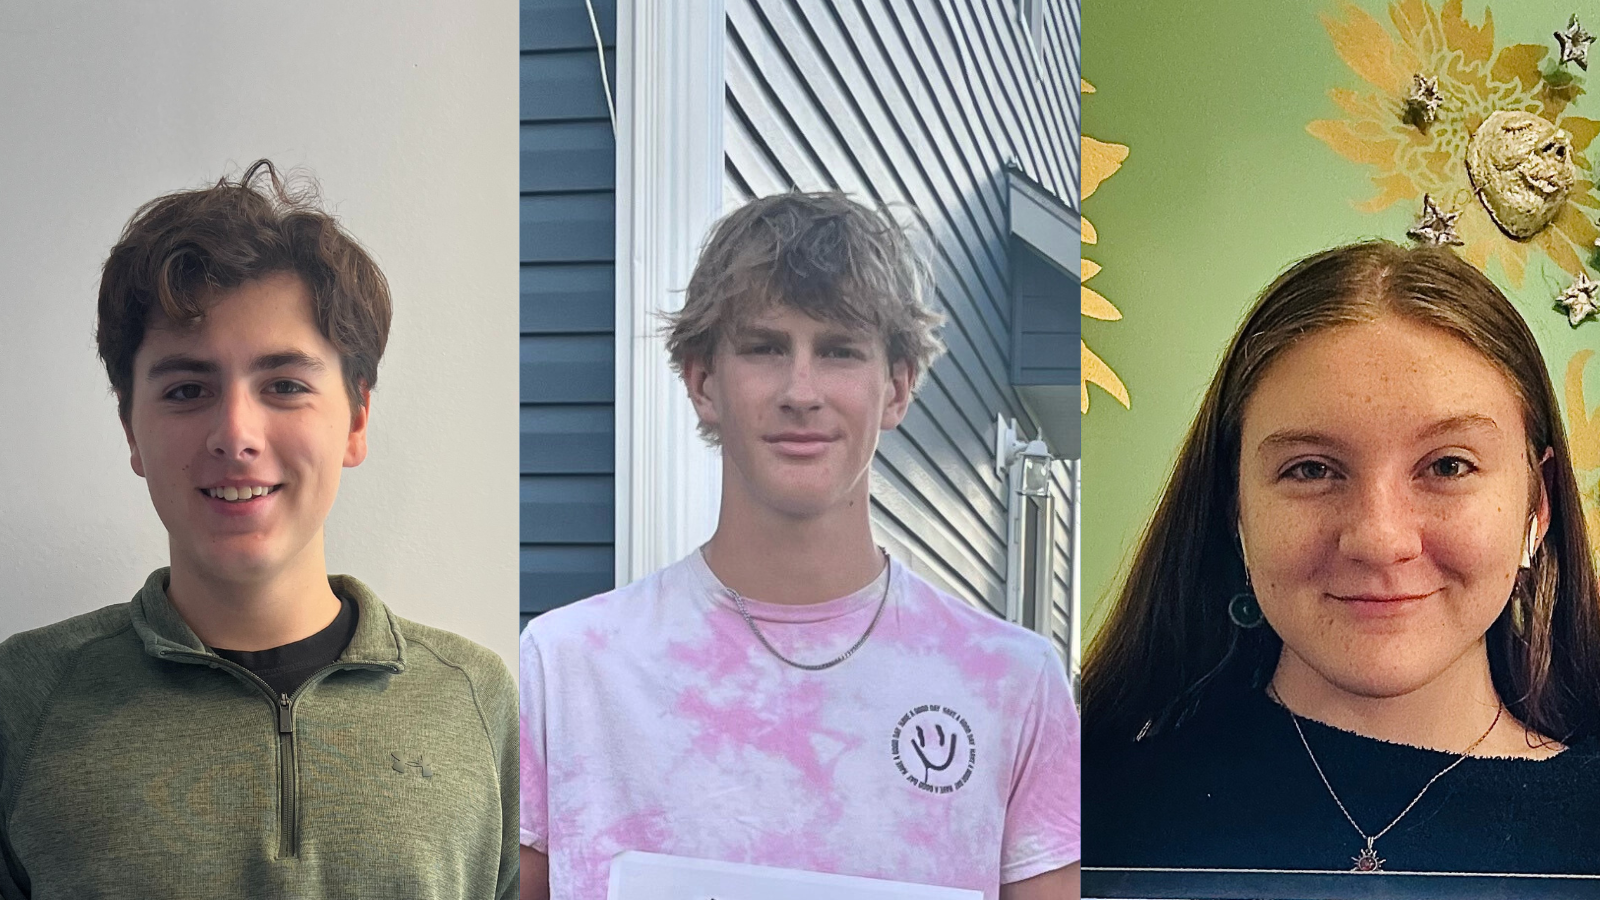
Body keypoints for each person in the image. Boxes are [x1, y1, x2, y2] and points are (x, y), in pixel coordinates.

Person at [520, 192, 1080, 899]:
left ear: (897, 387)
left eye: (839, 350)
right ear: (702, 381)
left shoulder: (1012, 686)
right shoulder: (567, 670)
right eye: (765, 348)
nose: (801, 390)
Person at [0, 161, 518, 899]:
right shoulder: (24, 698)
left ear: (357, 420)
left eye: (284, 386)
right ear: (131, 430)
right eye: (187, 389)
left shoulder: (475, 699)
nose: (236, 434)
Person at [1082, 241, 1600, 874]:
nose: (1380, 540)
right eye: (1311, 469)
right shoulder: (1076, 822)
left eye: (1448, 466)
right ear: (1234, 507)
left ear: (1536, 505)